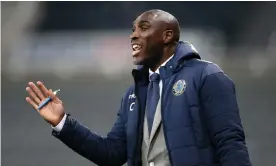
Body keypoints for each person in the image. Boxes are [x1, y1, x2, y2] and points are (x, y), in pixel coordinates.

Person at [26, 9, 251, 166]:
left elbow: (230, 143)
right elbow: (111, 153)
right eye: (133, 29)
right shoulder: (133, 95)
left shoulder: (206, 75)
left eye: (143, 28)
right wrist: (63, 123)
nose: (134, 35)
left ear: (167, 35)